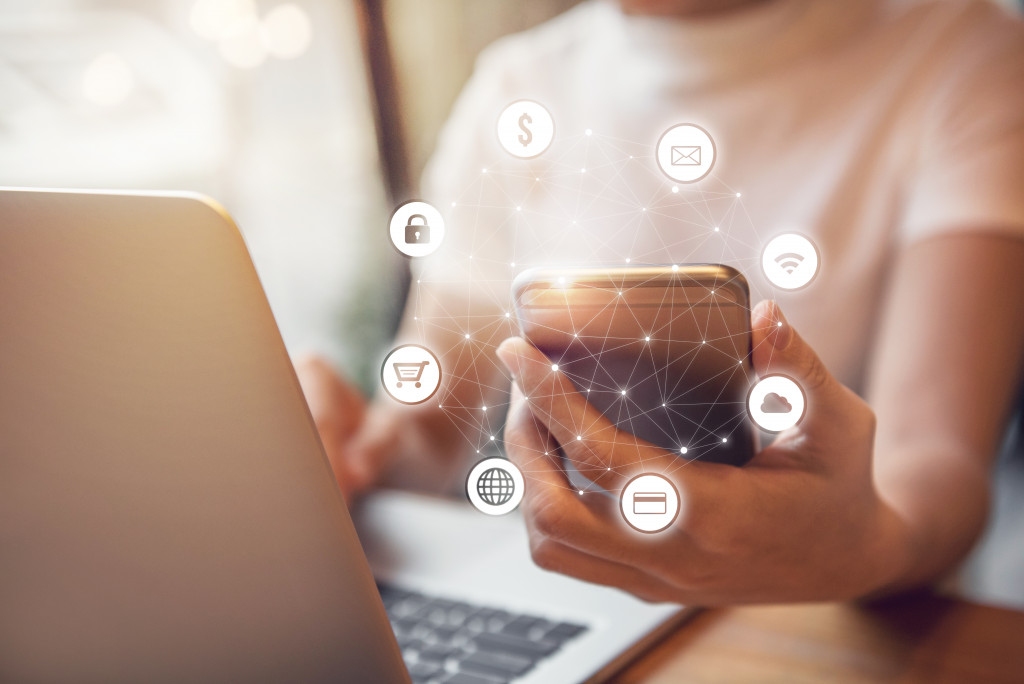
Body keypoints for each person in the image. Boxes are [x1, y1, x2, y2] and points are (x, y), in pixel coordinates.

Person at [296, 0, 1024, 603]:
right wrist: (345, 452)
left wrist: (869, 544)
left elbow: (936, 459)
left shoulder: (968, 58)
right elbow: (429, 427)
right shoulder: (519, 86)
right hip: (572, 607)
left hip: (844, 627)